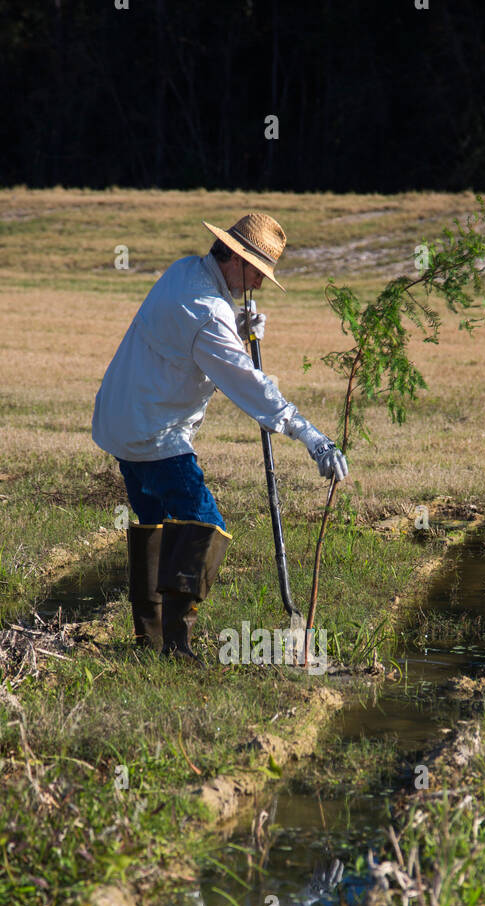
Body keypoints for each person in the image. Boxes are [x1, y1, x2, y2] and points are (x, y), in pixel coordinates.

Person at [91, 211, 348, 660]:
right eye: (257, 273)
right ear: (233, 257)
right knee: (206, 524)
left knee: (155, 523)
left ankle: (149, 641)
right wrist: (313, 438)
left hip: (121, 419)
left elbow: (185, 332)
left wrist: (236, 323)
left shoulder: (185, 270)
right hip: (154, 432)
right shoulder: (208, 316)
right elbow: (251, 387)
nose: (260, 285)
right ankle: (177, 645)